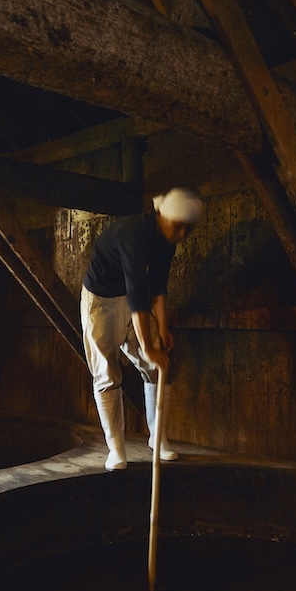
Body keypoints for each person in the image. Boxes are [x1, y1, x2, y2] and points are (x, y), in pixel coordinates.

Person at [81, 187, 203, 470]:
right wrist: (147, 346)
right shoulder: (134, 233)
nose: (182, 234)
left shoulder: (167, 239)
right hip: (100, 299)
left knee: (156, 366)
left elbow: (158, 286)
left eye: (187, 229)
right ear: (162, 215)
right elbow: (138, 294)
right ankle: (116, 450)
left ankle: (158, 440)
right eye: (178, 227)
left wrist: (162, 327)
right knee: (106, 372)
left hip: (131, 299)